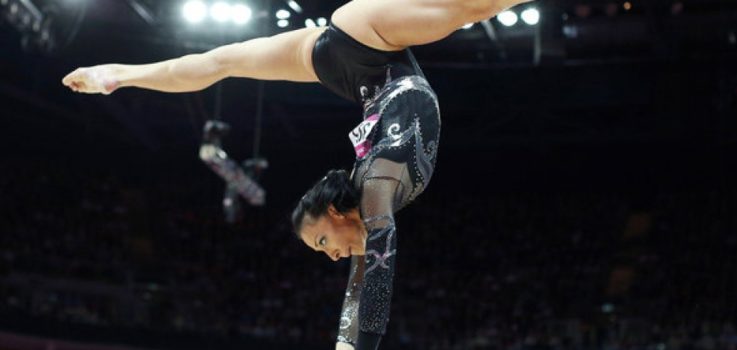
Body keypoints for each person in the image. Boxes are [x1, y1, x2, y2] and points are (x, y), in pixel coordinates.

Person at [62, 0, 533, 348]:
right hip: (347, 60)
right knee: (221, 62)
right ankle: (118, 74)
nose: (331, 256)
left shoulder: (375, 190)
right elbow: (363, 275)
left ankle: (121, 73)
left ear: (334, 211)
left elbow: (378, 265)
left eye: (323, 242)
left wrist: (359, 347)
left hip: (367, 37)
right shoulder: (371, 195)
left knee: (473, 7)